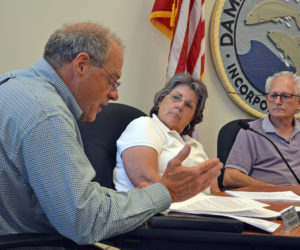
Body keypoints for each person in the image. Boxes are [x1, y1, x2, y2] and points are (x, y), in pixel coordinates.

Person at [0, 22, 222, 245]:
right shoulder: (47, 115)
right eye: (112, 81)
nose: (115, 94)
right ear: (81, 65)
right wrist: (165, 192)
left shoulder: (16, 85)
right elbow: (84, 222)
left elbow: (79, 200)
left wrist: (143, 197)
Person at [113, 73, 220, 194]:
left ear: (192, 118)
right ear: (160, 101)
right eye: (176, 98)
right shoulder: (145, 125)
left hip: (202, 209)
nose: (180, 106)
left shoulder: (195, 145)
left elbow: (215, 192)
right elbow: (146, 181)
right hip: (162, 210)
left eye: (188, 105)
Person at [223, 71, 300, 188]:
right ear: (266, 99)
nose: (278, 102)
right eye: (273, 96)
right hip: (266, 201)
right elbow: (230, 177)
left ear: (298, 103)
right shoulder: (250, 132)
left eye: (285, 96)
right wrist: (277, 191)